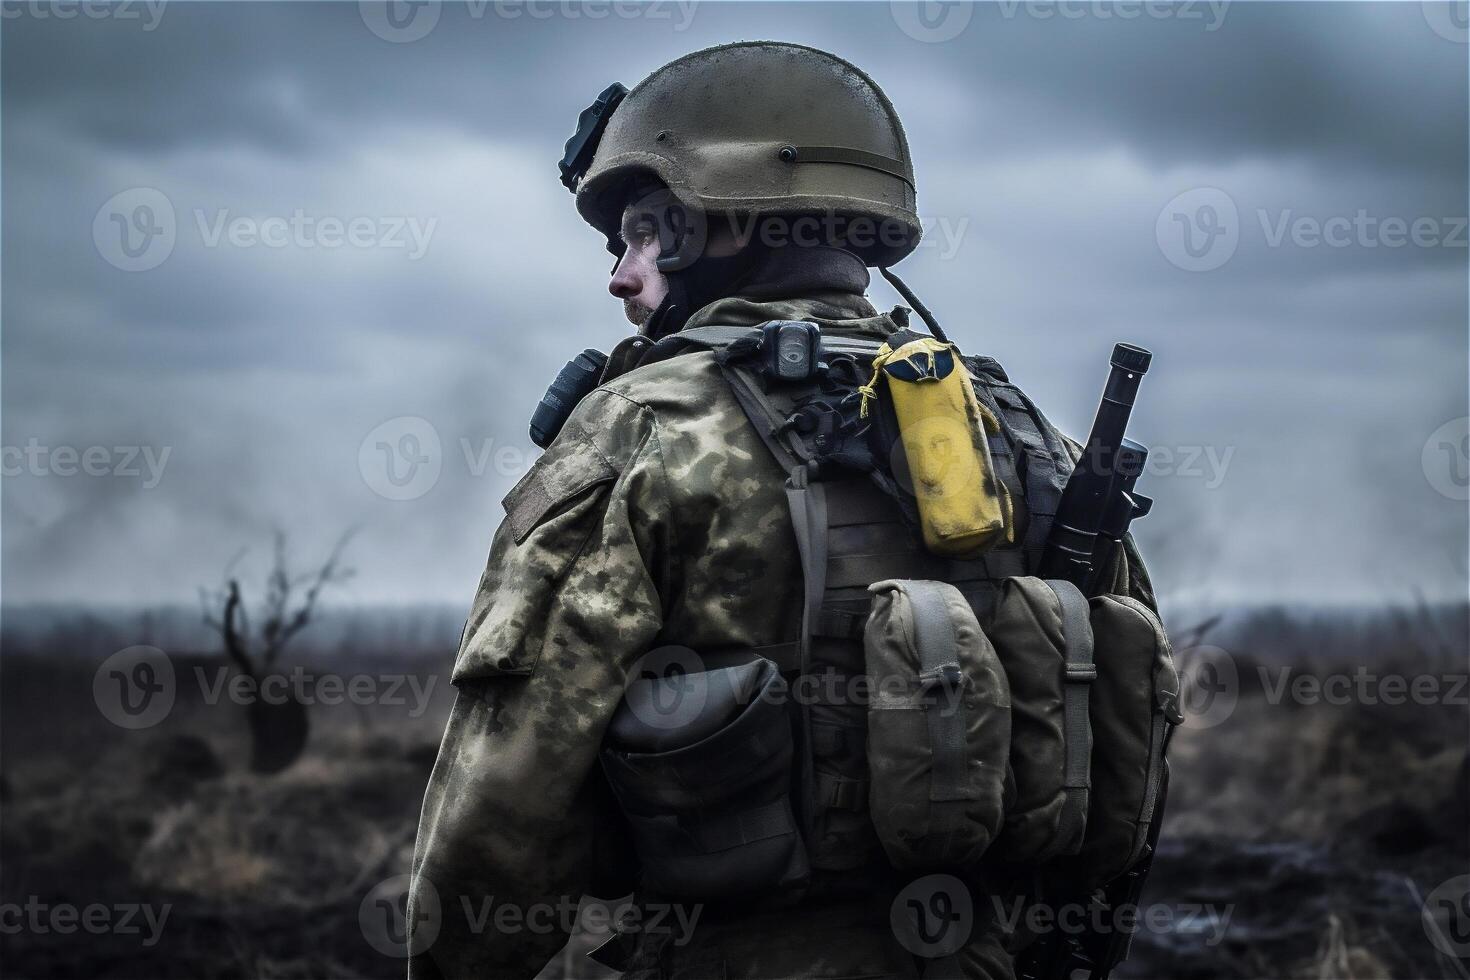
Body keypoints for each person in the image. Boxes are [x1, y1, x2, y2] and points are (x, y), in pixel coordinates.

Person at [408, 41, 1160, 980]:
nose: (621, 277)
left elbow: (510, 785)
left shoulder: (644, 426)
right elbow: (1128, 703)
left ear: (732, 223)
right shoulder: (1013, 427)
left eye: (651, 231)